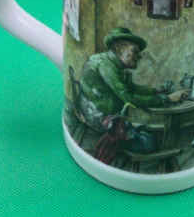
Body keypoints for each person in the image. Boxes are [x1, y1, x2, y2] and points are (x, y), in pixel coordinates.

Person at [76, 27, 182, 161]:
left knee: (148, 136)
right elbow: (128, 97)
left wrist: (156, 91)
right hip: (98, 117)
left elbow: (132, 88)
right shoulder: (106, 66)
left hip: (103, 111)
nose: (139, 56)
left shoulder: (114, 64)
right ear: (118, 48)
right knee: (150, 143)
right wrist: (166, 98)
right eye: (135, 51)